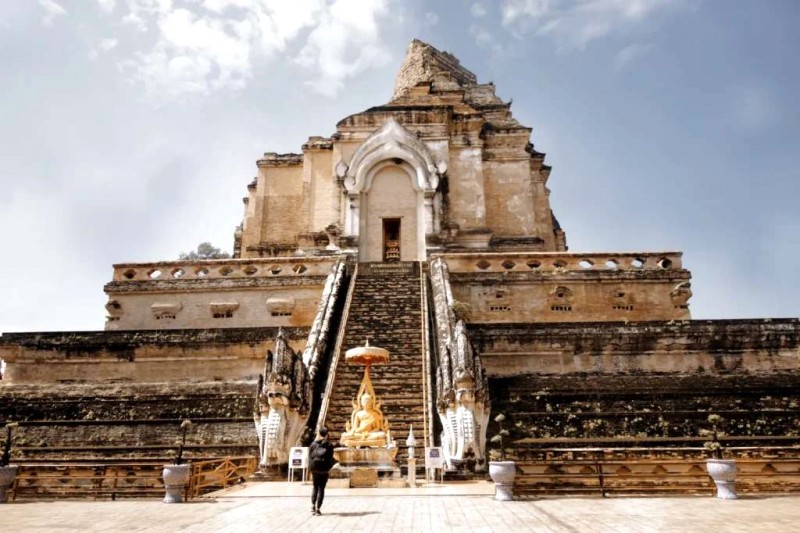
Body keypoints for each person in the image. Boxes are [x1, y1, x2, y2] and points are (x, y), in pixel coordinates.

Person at [308, 427, 336, 515]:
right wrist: (329, 467)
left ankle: (312, 506)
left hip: (315, 469)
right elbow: (330, 458)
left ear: (319, 434)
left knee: (315, 487)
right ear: (327, 434)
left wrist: (311, 468)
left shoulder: (313, 444)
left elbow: (310, 457)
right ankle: (318, 508)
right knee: (321, 489)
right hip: (324, 469)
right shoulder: (329, 445)